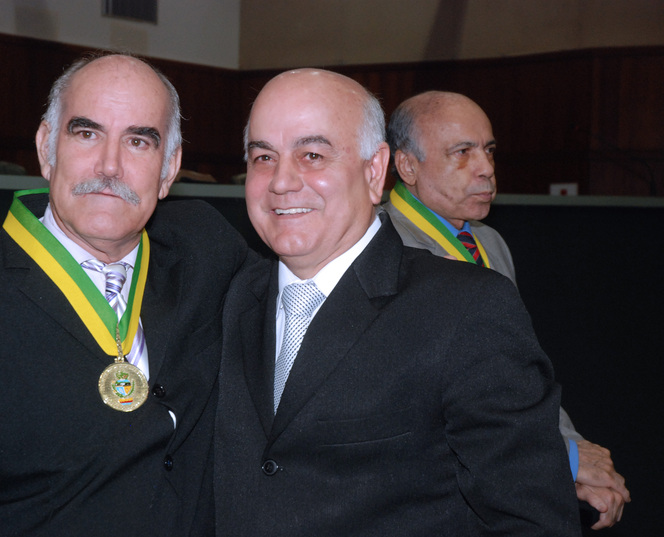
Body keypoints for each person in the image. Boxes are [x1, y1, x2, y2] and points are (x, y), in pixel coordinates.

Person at [0, 53, 248, 537]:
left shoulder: (205, 250)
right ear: (47, 148)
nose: (110, 165)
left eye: (138, 141)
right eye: (86, 133)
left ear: (169, 169)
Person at [213, 68, 580, 535]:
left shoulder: (467, 309)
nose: (281, 181)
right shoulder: (229, 297)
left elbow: (533, 520)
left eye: (312, 155)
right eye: (264, 156)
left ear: (374, 171)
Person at [384, 90, 630, 529]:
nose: (486, 168)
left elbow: (519, 374)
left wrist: (575, 454)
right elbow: (426, 405)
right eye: (463, 152)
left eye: (489, 150)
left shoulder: (488, 241)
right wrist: (564, 459)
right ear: (407, 166)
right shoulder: (380, 248)